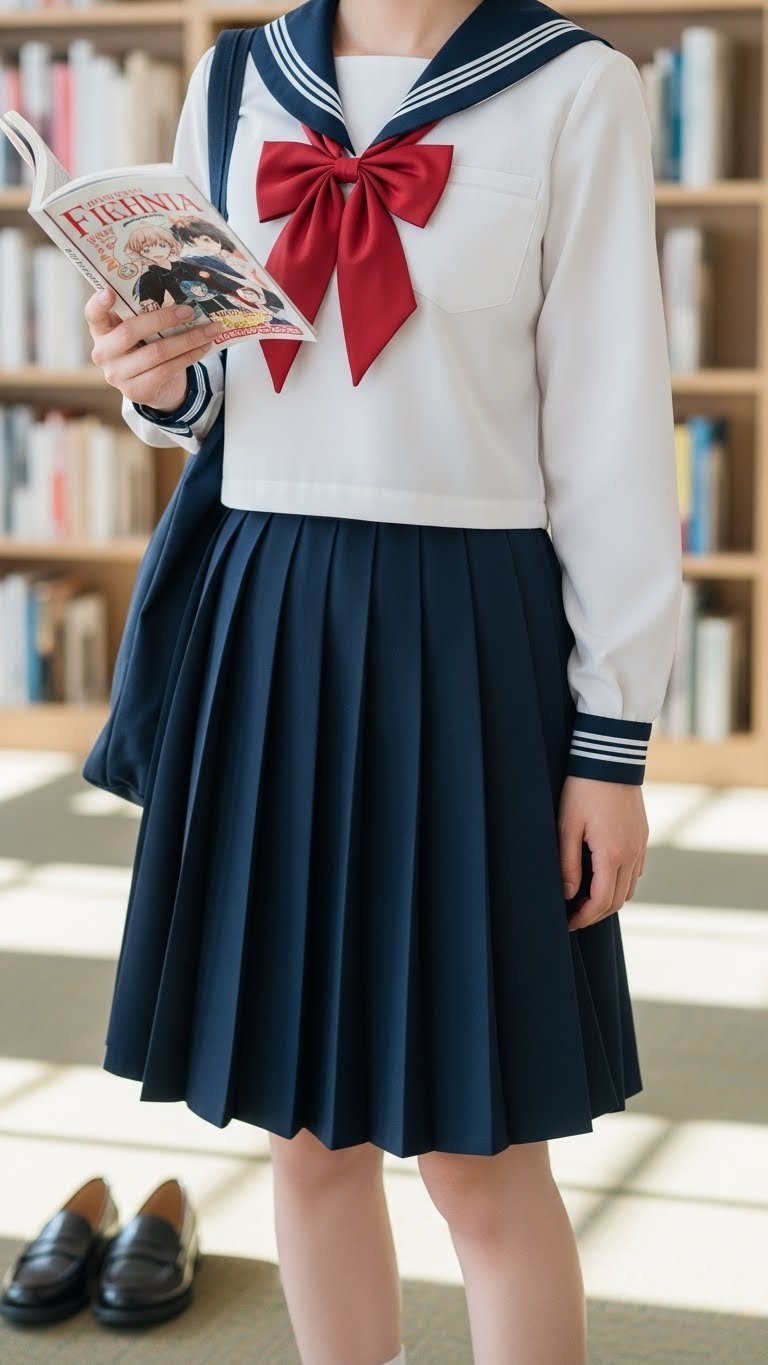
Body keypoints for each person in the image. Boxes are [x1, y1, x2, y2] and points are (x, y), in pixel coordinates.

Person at [83, 1, 683, 1362]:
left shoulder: (577, 88)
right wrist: (149, 376)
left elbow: (611, 424)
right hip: (275, 615)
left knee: (481, 1153)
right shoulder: (238, 78)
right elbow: (210, 395)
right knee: (305, 1135)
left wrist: (612, 743)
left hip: (473, 632)